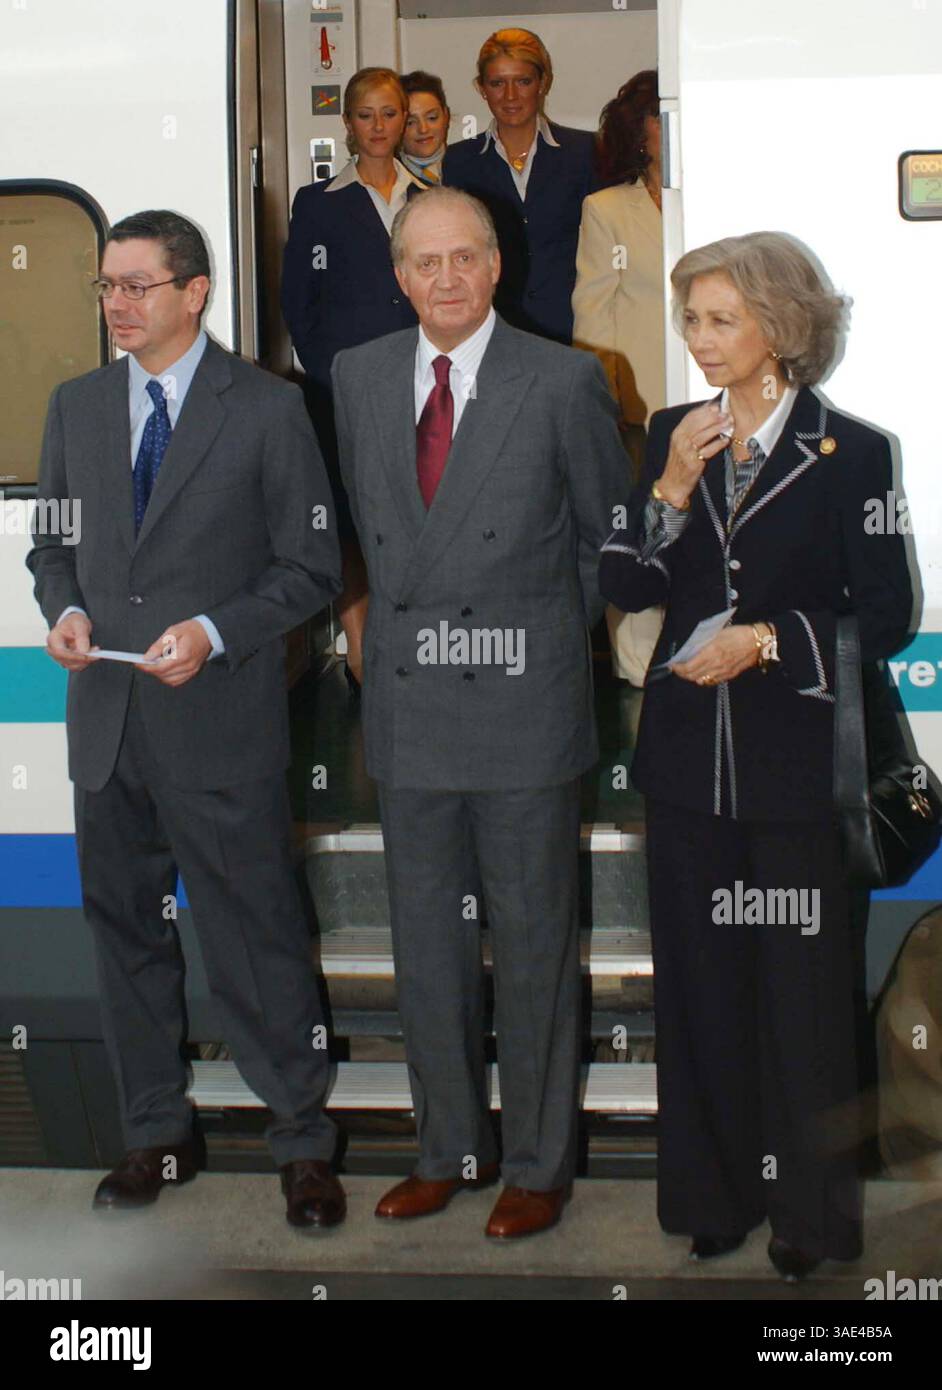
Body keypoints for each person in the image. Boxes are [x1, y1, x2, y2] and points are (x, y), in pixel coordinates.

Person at [599, 231, 913, 1279]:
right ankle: (712, 1199)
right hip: (689, 768)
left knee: (808, 998)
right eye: (692, 318)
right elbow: (625, 586)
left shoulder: (853, 452)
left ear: (781, 326)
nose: (701, 339)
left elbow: (890, 610)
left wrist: (770, 640)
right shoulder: (669, 440)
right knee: (699, 990)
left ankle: (812, 1221)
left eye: (722, 319)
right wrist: (672, 493)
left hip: (797, 770)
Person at [26, 210, 347, 1230]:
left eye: (137, 286)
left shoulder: (263, 408)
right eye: (108, 287)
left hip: (219, 724)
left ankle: (302, 1142)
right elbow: (52, 547)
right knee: (127, 939)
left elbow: (311, 568)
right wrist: (64, 607)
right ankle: (155, 1136)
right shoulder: (74, 407)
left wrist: (214, 628)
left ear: (194, 291)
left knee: (256, 938)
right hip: (107, 725)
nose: (117, 305)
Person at [331, 186, 629, 1239]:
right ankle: (449, 1149)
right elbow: (360, 527)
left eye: (467, 257)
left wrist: (543, 640)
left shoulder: (564, 381)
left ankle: (541, 1165)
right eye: (426, 262)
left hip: (521, 713)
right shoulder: (358, 376)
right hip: (410, 717)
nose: (447, 277)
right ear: (401, 275)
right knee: (428, 949)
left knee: (537, 943)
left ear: (498, 267)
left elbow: (611, 542)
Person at [282, 67, 423, 690]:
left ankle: (416, 638)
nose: (378, 127)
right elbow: (298, 301)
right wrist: (330, 372)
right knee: (349, 517)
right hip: (343, 389)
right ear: (348, 123)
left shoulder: (431, 195)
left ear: (404, 121)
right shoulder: (318, 203)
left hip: (424, 386)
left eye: (390, 114)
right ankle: (362, 646)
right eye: (366, 114)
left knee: (414, 511)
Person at [573, 69, 666, 685]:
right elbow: (594, 311)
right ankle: (638, 665)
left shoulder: (733, 193)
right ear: (641, 133)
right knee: (639, 533)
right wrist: (608, 401)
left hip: (725, 398)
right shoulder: (607, 210)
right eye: (661, 116)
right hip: (640, 403)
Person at [442, 27, 598, 345]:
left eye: (523, 81)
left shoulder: (585, 152)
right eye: (497, 83)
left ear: (543, 83)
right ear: (481, 88)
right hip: (492, 331)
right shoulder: (459, 161)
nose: (510, 96)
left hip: (575, 328)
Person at [400, 71, 451, 186]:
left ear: (446, 116)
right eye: (410, 122)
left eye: (432, 118)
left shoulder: (471, 169)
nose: (423, 129)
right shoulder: (390, 179)